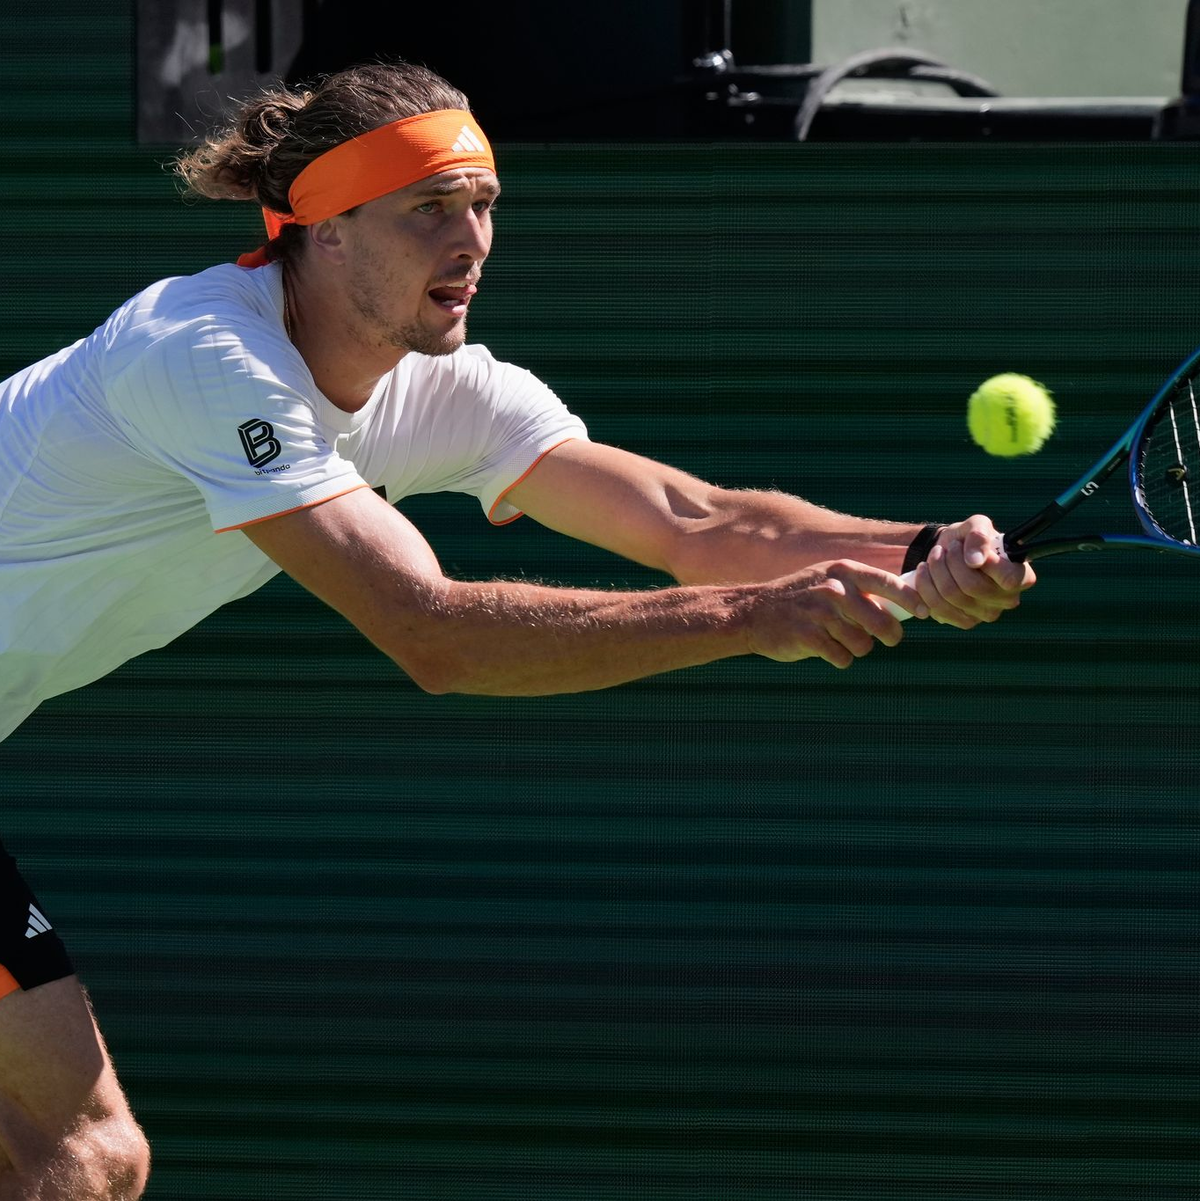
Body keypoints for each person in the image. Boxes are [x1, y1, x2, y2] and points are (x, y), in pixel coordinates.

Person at [0, 60, 1033, 1200]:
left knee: (76, 1159)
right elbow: (432, 632)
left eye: (484, 202)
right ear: (324, 228)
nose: (473, 238)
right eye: (430, 207)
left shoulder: (445, 392)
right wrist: (755, 618)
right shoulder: (204, 356)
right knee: (77, 1160)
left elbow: (702, 521)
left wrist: (924, 550)